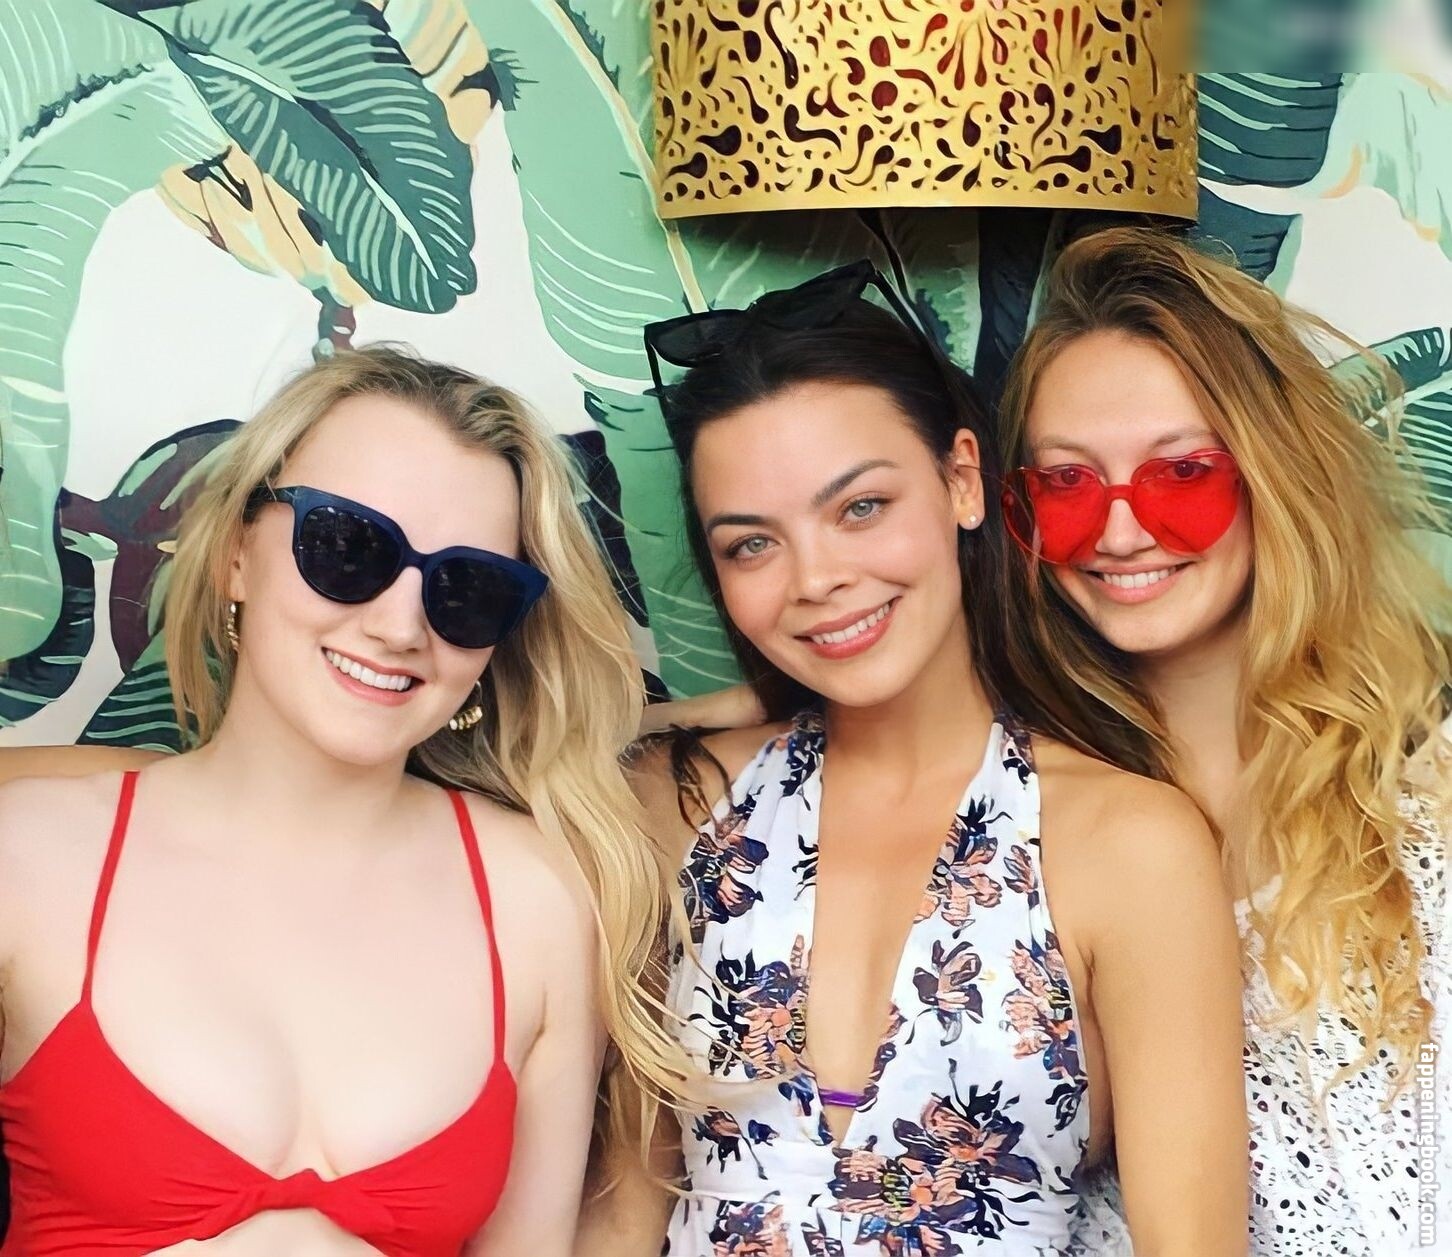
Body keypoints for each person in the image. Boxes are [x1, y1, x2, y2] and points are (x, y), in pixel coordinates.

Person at [581, 264, 1249, 1256]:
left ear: (962, 481)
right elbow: (628, 1198)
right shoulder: (677, 806)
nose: (817, 579)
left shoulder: (1129, 843)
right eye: (753, 545)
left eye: (860, 507)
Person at [0, 346, 684, 1255]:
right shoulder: (29, 858)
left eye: (467, 588)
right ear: (237, 553)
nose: (401, 626)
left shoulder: (541, 901)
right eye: (347, 546)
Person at [993, 227, 1451, 1255]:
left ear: (1272, 472)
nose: (1120, 533)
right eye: (1066, 484)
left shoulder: (1433, 778)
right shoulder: (1026, 823)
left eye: (1182, 472)